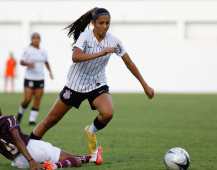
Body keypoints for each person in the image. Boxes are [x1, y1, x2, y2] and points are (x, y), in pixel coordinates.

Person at [29, 7, 155, 154]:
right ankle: (27, 149)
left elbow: (129, 63)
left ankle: (91, 131)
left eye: (107, 23)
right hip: (75, 85)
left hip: (96, 84)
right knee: (50, 121)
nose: (105, 26)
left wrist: (145, 85)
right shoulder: (85, 36)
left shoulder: (114, 41)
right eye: (101, 23)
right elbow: (75, 57)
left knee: (108, 113)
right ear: (93, 23)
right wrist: (101, 52)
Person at [0, 79, 102, 170]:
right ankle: (54, 166)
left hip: (18, 162)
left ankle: (92, 157)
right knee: (74, 161)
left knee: (66, 156)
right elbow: (17, 140)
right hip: (31, 150)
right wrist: (32, 161)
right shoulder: (8, 119)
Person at [16, 33, 54, 126]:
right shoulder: (27, 50)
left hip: (40, 78)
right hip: (29, 78)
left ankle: (32, 120)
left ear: (40, 40)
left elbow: (46, 62)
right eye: (34, 38)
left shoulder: (43, 51)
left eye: (38, 38)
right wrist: (28, 64)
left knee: (37, 99)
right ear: (31, 40)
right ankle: (20, 114)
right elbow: (21, 61)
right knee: (28, 99)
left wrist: (50, 72)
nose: (36, 40)